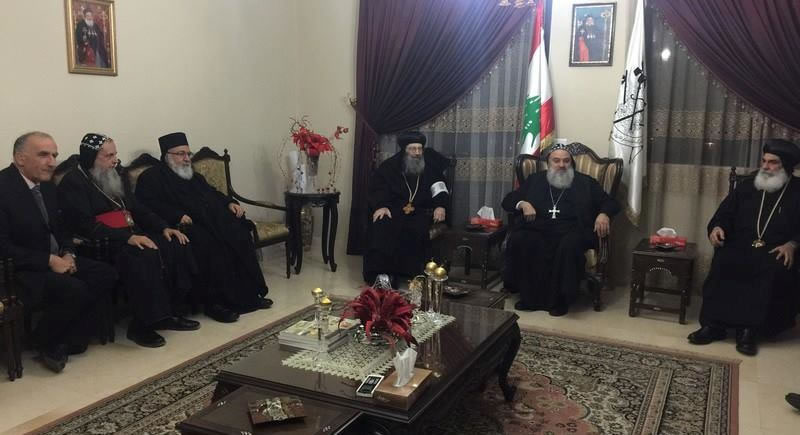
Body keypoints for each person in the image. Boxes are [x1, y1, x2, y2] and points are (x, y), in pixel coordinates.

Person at [58, 133, 200, 348]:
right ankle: (141, 326)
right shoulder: (74, 182)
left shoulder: (116, 173)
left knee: (174, 244)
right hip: (101, 242)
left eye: (115, 154)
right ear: (90, 157)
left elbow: (137, 208)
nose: (115, 160)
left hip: (130, 233)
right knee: (143, 256)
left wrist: (163, 227)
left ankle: (170, 313)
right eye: (108, 156)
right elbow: (84, 225)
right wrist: (128, 237)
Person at [0, 132, 117, 373]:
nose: (52, 162)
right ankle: (48, 342)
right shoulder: (3, 188)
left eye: (54, 155)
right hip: (20, 270)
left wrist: (68, 253)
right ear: (20, 158)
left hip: (57, 258)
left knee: (105, 274)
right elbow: (3, 246)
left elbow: (62, 228)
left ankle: (64, 338)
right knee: (74, 288)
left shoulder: (47, 185)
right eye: (44, 155)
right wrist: (48, 260)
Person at [135, 132, 271, 322]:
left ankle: (248, 296)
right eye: (181, 154)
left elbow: (212, 193)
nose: (186, 158)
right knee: (209, 244)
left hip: (210, 221)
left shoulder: (193, 176)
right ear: (167, 156)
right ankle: (214, 304)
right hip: (184, 226)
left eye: (188, 154)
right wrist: (176, 215)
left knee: (239, 233)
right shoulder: (151, 177)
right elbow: (146, 205)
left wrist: (229, 203)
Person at [688, 139, 800, 356]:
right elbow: (725, 213)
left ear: (786, 165)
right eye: (763, 161)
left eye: (772, 162)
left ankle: (749, 331)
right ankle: (714, 326)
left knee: (769, 268)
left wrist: (792, 244)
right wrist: (717, 227)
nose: (765, 166)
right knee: (724, 261)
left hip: (776, 248)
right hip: (740, 243)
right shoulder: (748, 185)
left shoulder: (798, 191)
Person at [501, 144, 620, 316]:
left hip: (573, 230)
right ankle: (530, 298)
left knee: (568, 245)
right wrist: (523, 204)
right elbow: (508, 200)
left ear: (571, 163)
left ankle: (561, 300)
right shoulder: (535, 180)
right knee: (522, 239)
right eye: (556, 161)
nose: (561, 165)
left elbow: (610, 202)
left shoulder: (585, 182)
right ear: (548, 163)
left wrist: (604, 214)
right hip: (538, 228)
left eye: (566, 161)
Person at [363, 131, 450, 285]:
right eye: (413, 149)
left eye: (420, 149)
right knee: (382, 224)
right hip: (393, 209)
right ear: (404, 150)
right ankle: (382, 275)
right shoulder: (389, 167)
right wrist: (381, 206)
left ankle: (412, 273)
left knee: (416, 228)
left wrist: (440, 206)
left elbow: (439, 188)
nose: (417, 153)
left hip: (420, 211)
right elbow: (378, 189)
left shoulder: (430, 167)